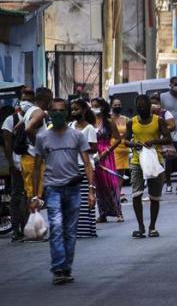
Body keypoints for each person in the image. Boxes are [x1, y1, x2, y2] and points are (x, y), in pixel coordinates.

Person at [31, 98, 96, 285]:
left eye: (61, 110)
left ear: (66, 113)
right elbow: (36, 168)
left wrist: (91, 190)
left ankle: (66, 267)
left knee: (70, 230)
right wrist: (35, 195)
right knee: (57, 227)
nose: (58, 113)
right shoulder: (42, 137)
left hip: (74, 189)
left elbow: (87, 163)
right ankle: (59, 268)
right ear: (49, 113)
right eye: (54, 111)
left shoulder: (77, 135)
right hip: (52, 189)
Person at [126, 95, 172, 238]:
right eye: (139, 106)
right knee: (136, 194)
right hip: (136, 160)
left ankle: (152, 226)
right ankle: (141, 227)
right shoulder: (131, 122)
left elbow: (168, 138)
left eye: (144, 106)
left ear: (149, 107)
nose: (141, 108)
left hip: (154, 161)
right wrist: (134, 144)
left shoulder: (159, 121)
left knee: (154, 196)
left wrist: (154, 141)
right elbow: (126, 141)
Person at [2, 88, 34, 242]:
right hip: (17, 163)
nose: (26, 101)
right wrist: (12, 164)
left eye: (29, 98)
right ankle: (16, 230)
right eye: (24, 98)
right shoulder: (11, 120)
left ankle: (27, 228)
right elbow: (7, 143)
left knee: (29, 196)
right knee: (17, 196)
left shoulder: (35, 117)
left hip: (31, 163)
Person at [68, 98, 98, 238]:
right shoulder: (70, 126)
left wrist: (80, 148)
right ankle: (75, 229)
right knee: (73, 200)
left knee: (86, 198)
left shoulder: (89, 128)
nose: (74, 112)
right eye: (72, 109)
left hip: (85, 167)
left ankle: (87, 230)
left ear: (84, 110)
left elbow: (94, 147)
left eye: (77, 109)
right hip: (72, 167)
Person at [91, 98, 123, 223]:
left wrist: (107, 151)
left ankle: (118, 212)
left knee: (111, 183)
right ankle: (102, 213)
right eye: (92, 106)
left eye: (97, 105)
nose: (95, 108)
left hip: (106, 153)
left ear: (103, 107)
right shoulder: (90, 122)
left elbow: (118, 139)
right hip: (94, 154)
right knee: (98, 185)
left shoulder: (108, 122)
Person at [22, 87, 53, 201]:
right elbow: (28, 129)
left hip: (29, 157)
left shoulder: (30, 111)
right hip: (34, 159)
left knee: (31, 195)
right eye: (50, 100)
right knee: (34, 196)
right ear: (46, 99)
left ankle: (32, 218)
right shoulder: (38, 112)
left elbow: (17, 128)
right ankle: (32, 218)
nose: (50, 104)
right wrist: (39, 146)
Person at [110, 98, 130, 202]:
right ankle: (113, 194)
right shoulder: (109, 119)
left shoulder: (126, 119)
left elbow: (129, 133)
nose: (117, 107)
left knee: (120, 175)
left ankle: (117, 195)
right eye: (115, 105)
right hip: (113, 148)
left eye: (119, 105)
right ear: (111, 106)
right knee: (113, 174)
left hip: (124, 149)